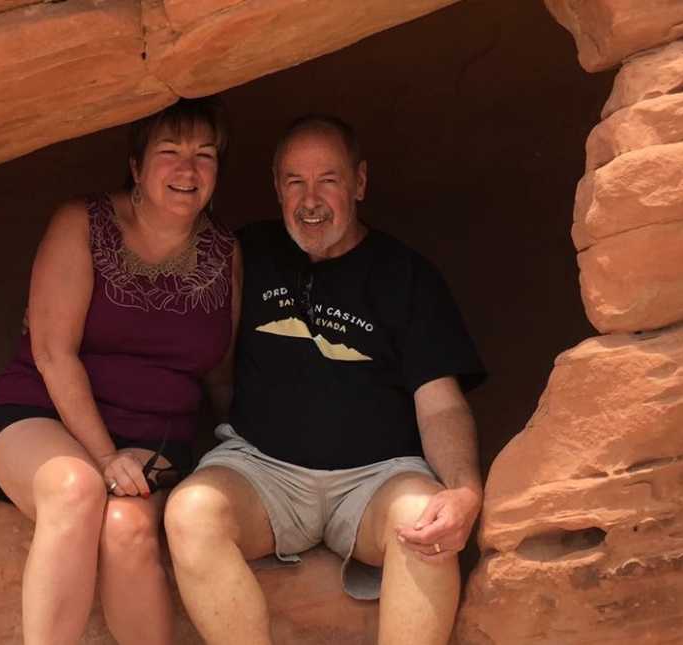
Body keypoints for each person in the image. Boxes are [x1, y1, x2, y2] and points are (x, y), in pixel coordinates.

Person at [164, 115, 486, 645]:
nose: (310, 200)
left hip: (376, 478)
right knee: (192, 512)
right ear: (276, 187)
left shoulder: (406, 275)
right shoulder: (248, 252)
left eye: (328, 181)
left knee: (424, 521)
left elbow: (440, 404)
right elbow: (197, 343)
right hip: (263, 471)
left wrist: (465, 491)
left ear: (359, 183)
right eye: (295, 182)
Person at [0, 97, 240, 645]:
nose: (188, 170)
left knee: (129, 527)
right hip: (44, 413)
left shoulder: (224, 252)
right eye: (170, 152)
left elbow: (221, 371)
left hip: (156, 432)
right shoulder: (83, 223)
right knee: (75, 489)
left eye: (204, 155)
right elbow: (52, 352)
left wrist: (241, 446)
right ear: (137, 166)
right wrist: (103, 456)